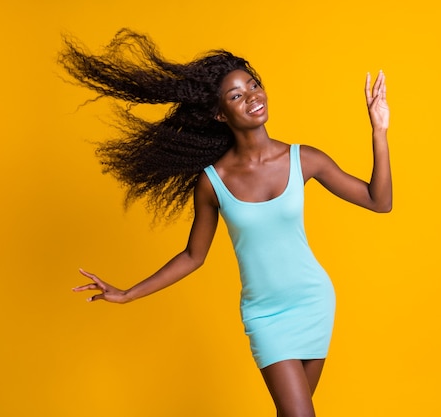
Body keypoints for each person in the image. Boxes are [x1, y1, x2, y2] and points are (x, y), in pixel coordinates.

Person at [63, 28, 392, 417]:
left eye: (253, 86)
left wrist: (379, 132)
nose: (253, 97)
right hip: (265, 314)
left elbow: (378, 201)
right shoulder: (212, 182)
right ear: (221, 114)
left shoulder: (305, 159)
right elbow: (192, 256)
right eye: (237, 95)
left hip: (313, 301)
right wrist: (128, 293)